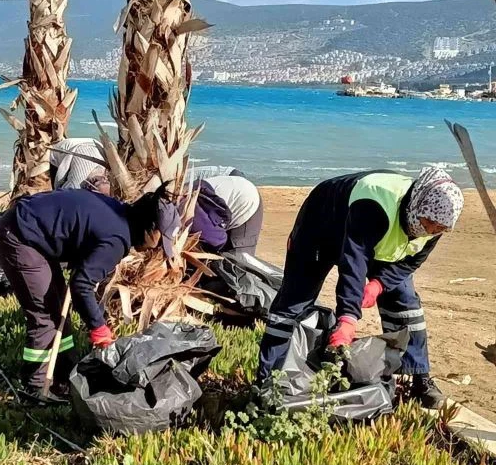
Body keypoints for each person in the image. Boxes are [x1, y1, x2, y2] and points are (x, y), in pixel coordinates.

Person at [256, 167, 464, 408]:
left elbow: (412, 261)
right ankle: (268, 379)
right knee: (294, 302)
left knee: (405, 302)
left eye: (438, 229)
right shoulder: (374, 203)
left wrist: (379, 284)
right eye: (429, 223)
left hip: (385, 237)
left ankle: (419, 381)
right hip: (323, 225)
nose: (430, 230)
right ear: (416, 206)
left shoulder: (437, 217)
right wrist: (348, 319)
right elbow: (354, 263)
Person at [0, 186, 180, 403]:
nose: (155, 248)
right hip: (19, 237)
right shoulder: (116, 239)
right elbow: (81, 284)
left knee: (59, 309)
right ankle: (37, 387)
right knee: (45, 315)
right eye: (160, 240)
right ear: (149, 228)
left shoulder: (119, 213)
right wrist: (99, 328)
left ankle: (64, 373)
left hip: (31, 230)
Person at [190, 169, 263, 256]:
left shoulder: (190, 213)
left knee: (238, 260)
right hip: (229, 190)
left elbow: (218, 239)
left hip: (244, 202)